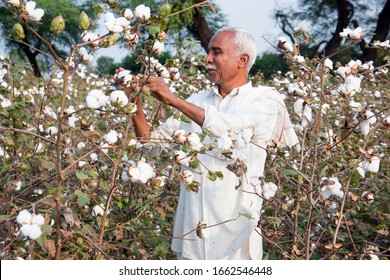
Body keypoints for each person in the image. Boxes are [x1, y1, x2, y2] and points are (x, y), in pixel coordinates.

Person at [131, 27, 299, 260]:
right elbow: (150, 143)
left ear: (242, 60)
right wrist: (133, 101)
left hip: (237, 233)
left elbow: (229, 130)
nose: (208, 58)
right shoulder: (197, 100)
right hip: (193, 230)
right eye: (208, 51)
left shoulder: (264, 101)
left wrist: (174, 100)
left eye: (216, 52)